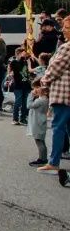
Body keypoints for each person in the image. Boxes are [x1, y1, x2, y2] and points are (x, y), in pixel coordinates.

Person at [37, 14, 70, 175]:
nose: (63, 30)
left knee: (58, 127)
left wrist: (44, 82)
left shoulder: (67, 47)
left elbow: (55, 68)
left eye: (67, 27)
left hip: (63, 93)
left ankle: (54, 162)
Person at [9, 47, 33, 125]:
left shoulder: (25, 62)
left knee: (24, 103)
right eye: (23, 53)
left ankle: (23, 118)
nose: (24, 55)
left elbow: (29, 71)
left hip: (26, 84)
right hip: (18, 85)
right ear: (18, 53)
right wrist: (21, 58)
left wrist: (28, 62)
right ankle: (15, 118)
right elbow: (15, 69)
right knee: (18, 102)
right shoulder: (14, 62)